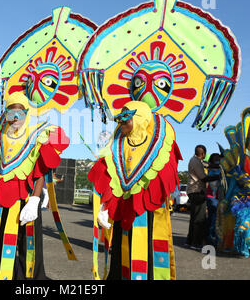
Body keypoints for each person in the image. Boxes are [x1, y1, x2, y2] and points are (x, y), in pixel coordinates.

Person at [0, 91, 70, 280]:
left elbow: (40, 170)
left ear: (27, 113)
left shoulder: (37, 134)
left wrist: (34, 199)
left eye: (20, 113)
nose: (15, 117)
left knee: (29, 246)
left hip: (27, 198)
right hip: (0, 198)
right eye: (10, 113)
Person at [88, 101, 182, 280]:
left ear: (139, 119)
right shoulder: (116, 143)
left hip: (145, 212)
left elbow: (162, 179)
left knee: (144, 251)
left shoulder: (159, 146)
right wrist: (105, 205)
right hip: (122, 209)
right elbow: (108, 173)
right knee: (120, 252)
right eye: (119, 120)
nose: (121, 124)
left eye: (126, 119)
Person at [186, 145, 221, 250]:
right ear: (203, 154)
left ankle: (190, 240)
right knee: (199, 219)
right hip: (197, 192)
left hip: (193, 191)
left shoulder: (194, 160)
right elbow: (203, 178)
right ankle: (196, 243)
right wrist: (219, 176)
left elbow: (207, 168)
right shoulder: (196, 162)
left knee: (194, 218)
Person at [205, 153, 223, 247]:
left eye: (219, 159)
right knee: (213, 218)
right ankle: (210, 237)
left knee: (213, 218)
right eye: (216, 159)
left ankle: (209, 236)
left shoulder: (219, 169)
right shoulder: (212, 169)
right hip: (211, 197)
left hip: (216, 197)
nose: (218, 160)